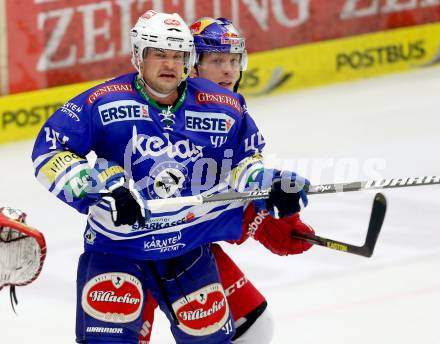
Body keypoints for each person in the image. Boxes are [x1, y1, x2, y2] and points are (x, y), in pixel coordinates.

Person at [32, 10, 313, 344]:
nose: (169, 64)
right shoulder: (102, 101)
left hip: (187, 247)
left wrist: (272, 184)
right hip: (118, 248)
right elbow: (50, 151)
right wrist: (100, 189)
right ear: (138, 55)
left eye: (178, 55)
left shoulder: (223, 107)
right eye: (159, 53)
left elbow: (243, 166)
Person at [137, 17, 315, 344]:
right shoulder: (158, 109)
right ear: (192, 67)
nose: (229, 71)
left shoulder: (231, 116)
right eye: (217, 61)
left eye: (234, 61)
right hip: (136, 247)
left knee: (255, 325)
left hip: (189, 247)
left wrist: (277, 210)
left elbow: (240, 179)